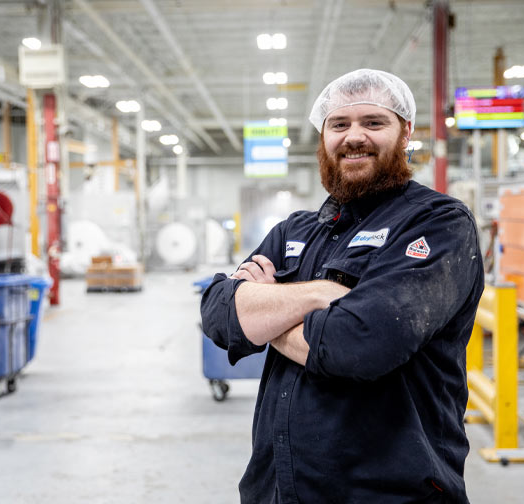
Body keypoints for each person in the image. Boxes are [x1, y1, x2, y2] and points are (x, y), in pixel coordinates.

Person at [200, 69, 484, 503]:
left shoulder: (438, 223)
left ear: (405, 132)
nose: (354, 136)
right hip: (278, 488)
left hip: (387, 491)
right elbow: (219, 314)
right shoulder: (296, 230)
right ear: (324, 138)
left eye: (373, 122)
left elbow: (359, 343)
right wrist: (317, 296)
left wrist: (264, 312)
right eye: (339, 124)